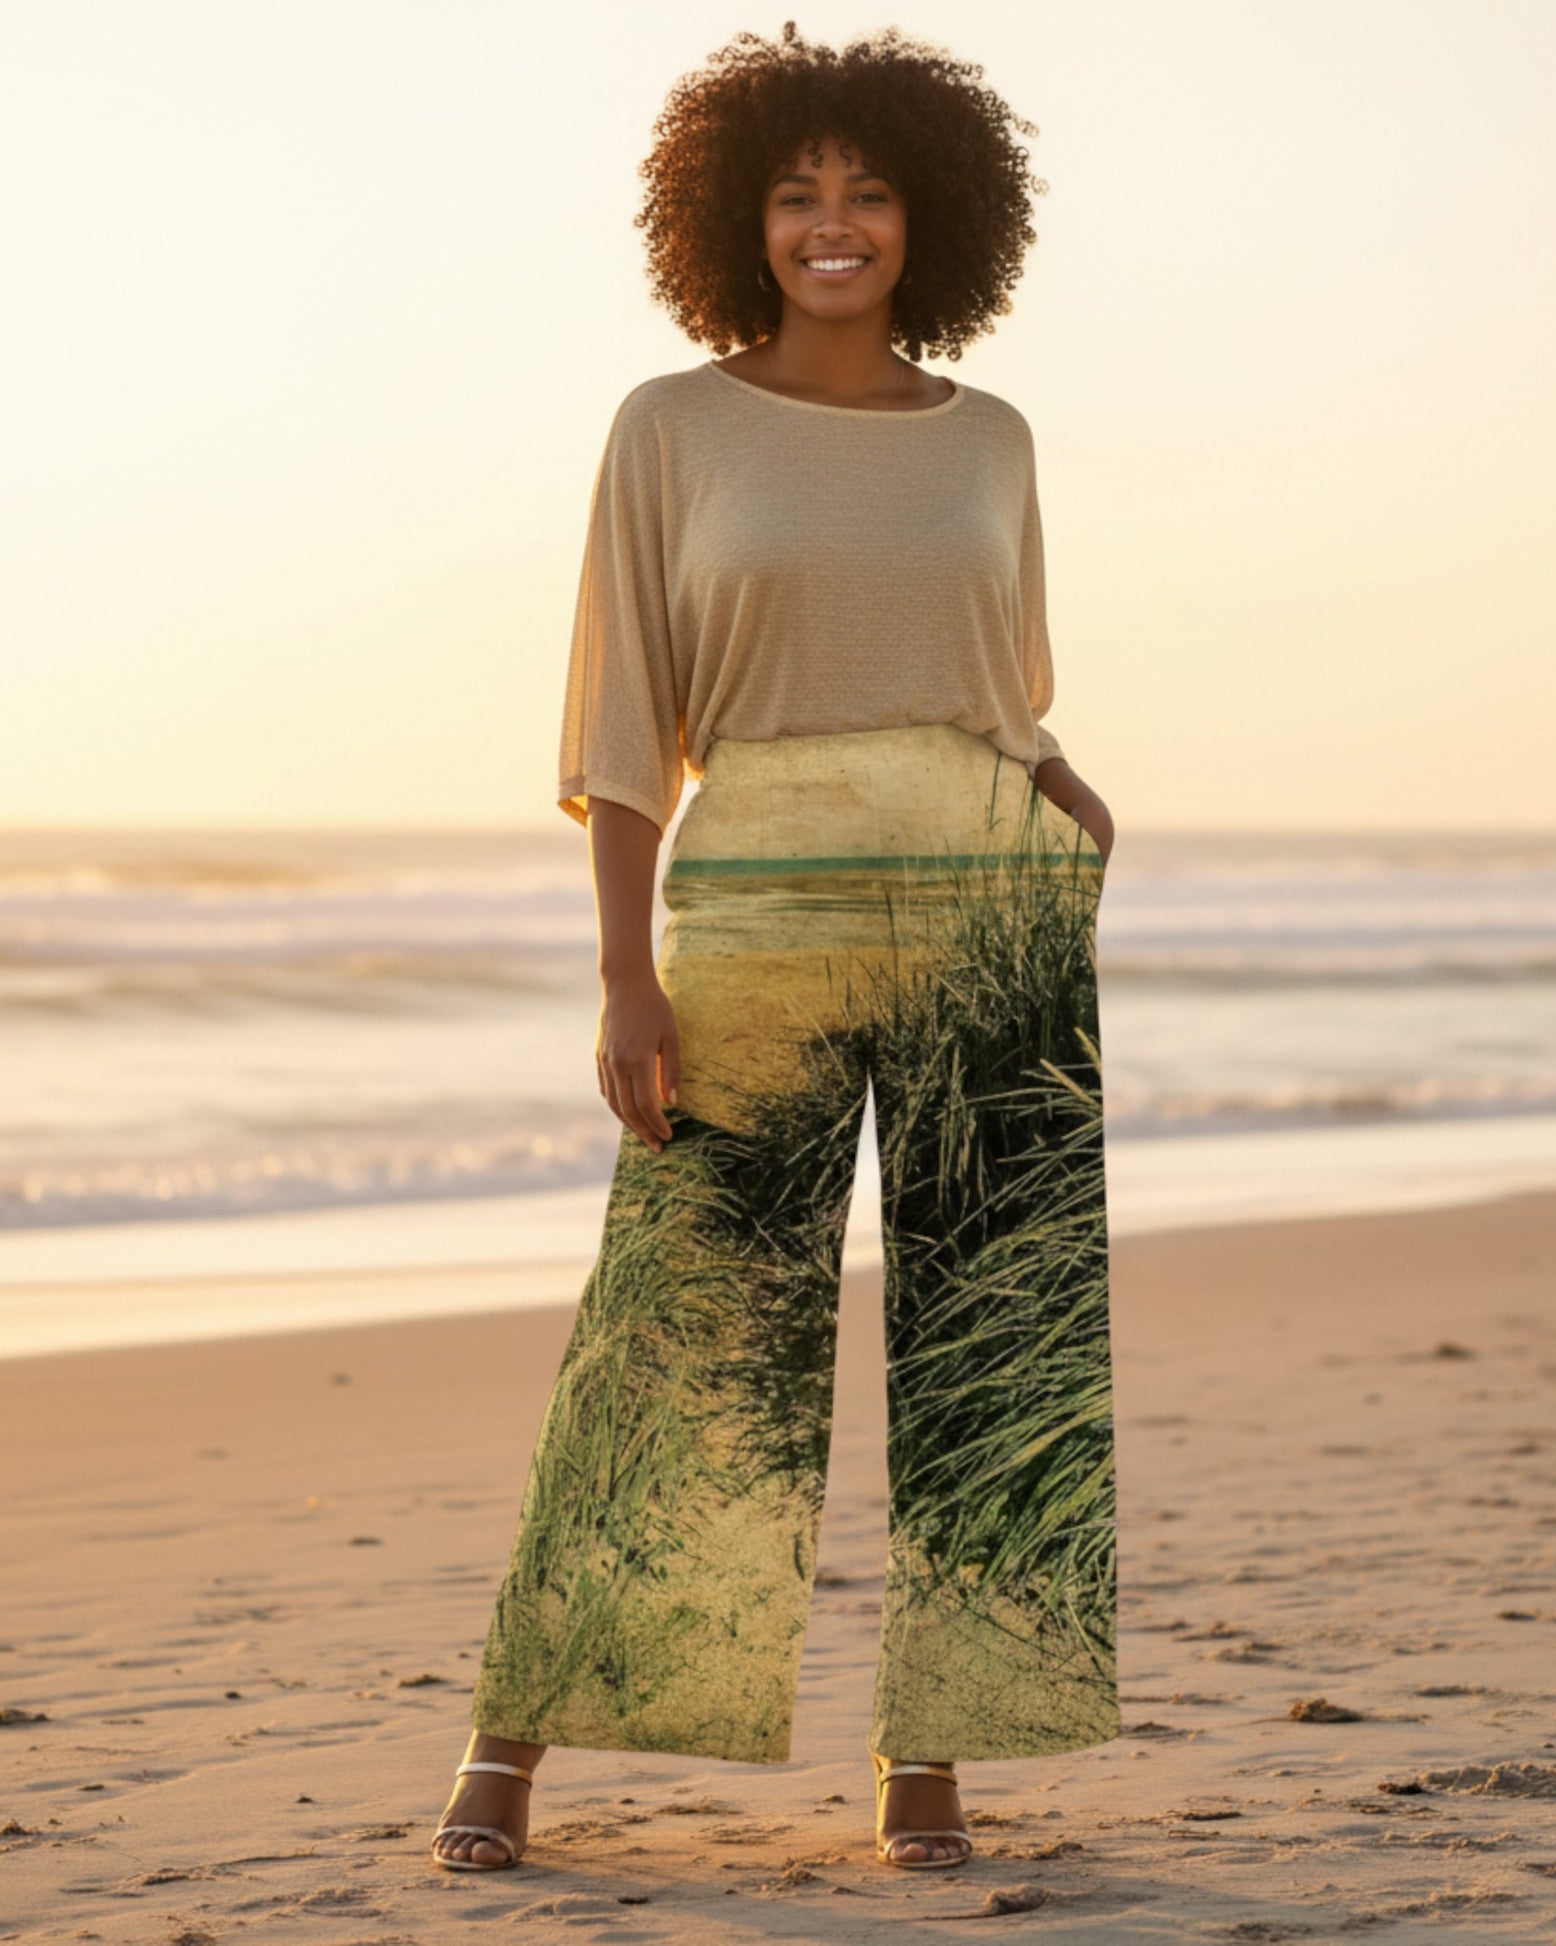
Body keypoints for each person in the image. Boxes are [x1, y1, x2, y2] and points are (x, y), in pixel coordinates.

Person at [432, 21, 1120, 1875]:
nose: (835, 224)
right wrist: (621, 966)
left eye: (869, 190)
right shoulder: (672, 427)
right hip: (756, 900)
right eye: (799, 193)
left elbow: (1007, 679)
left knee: (998, 1338)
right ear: (738, 222)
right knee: (680, 1334)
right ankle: (513, 1742)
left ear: (929, 216)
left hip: (992, 904)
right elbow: (624, 717)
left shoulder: (993, 436)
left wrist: (1057, 783)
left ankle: (935, 1768)